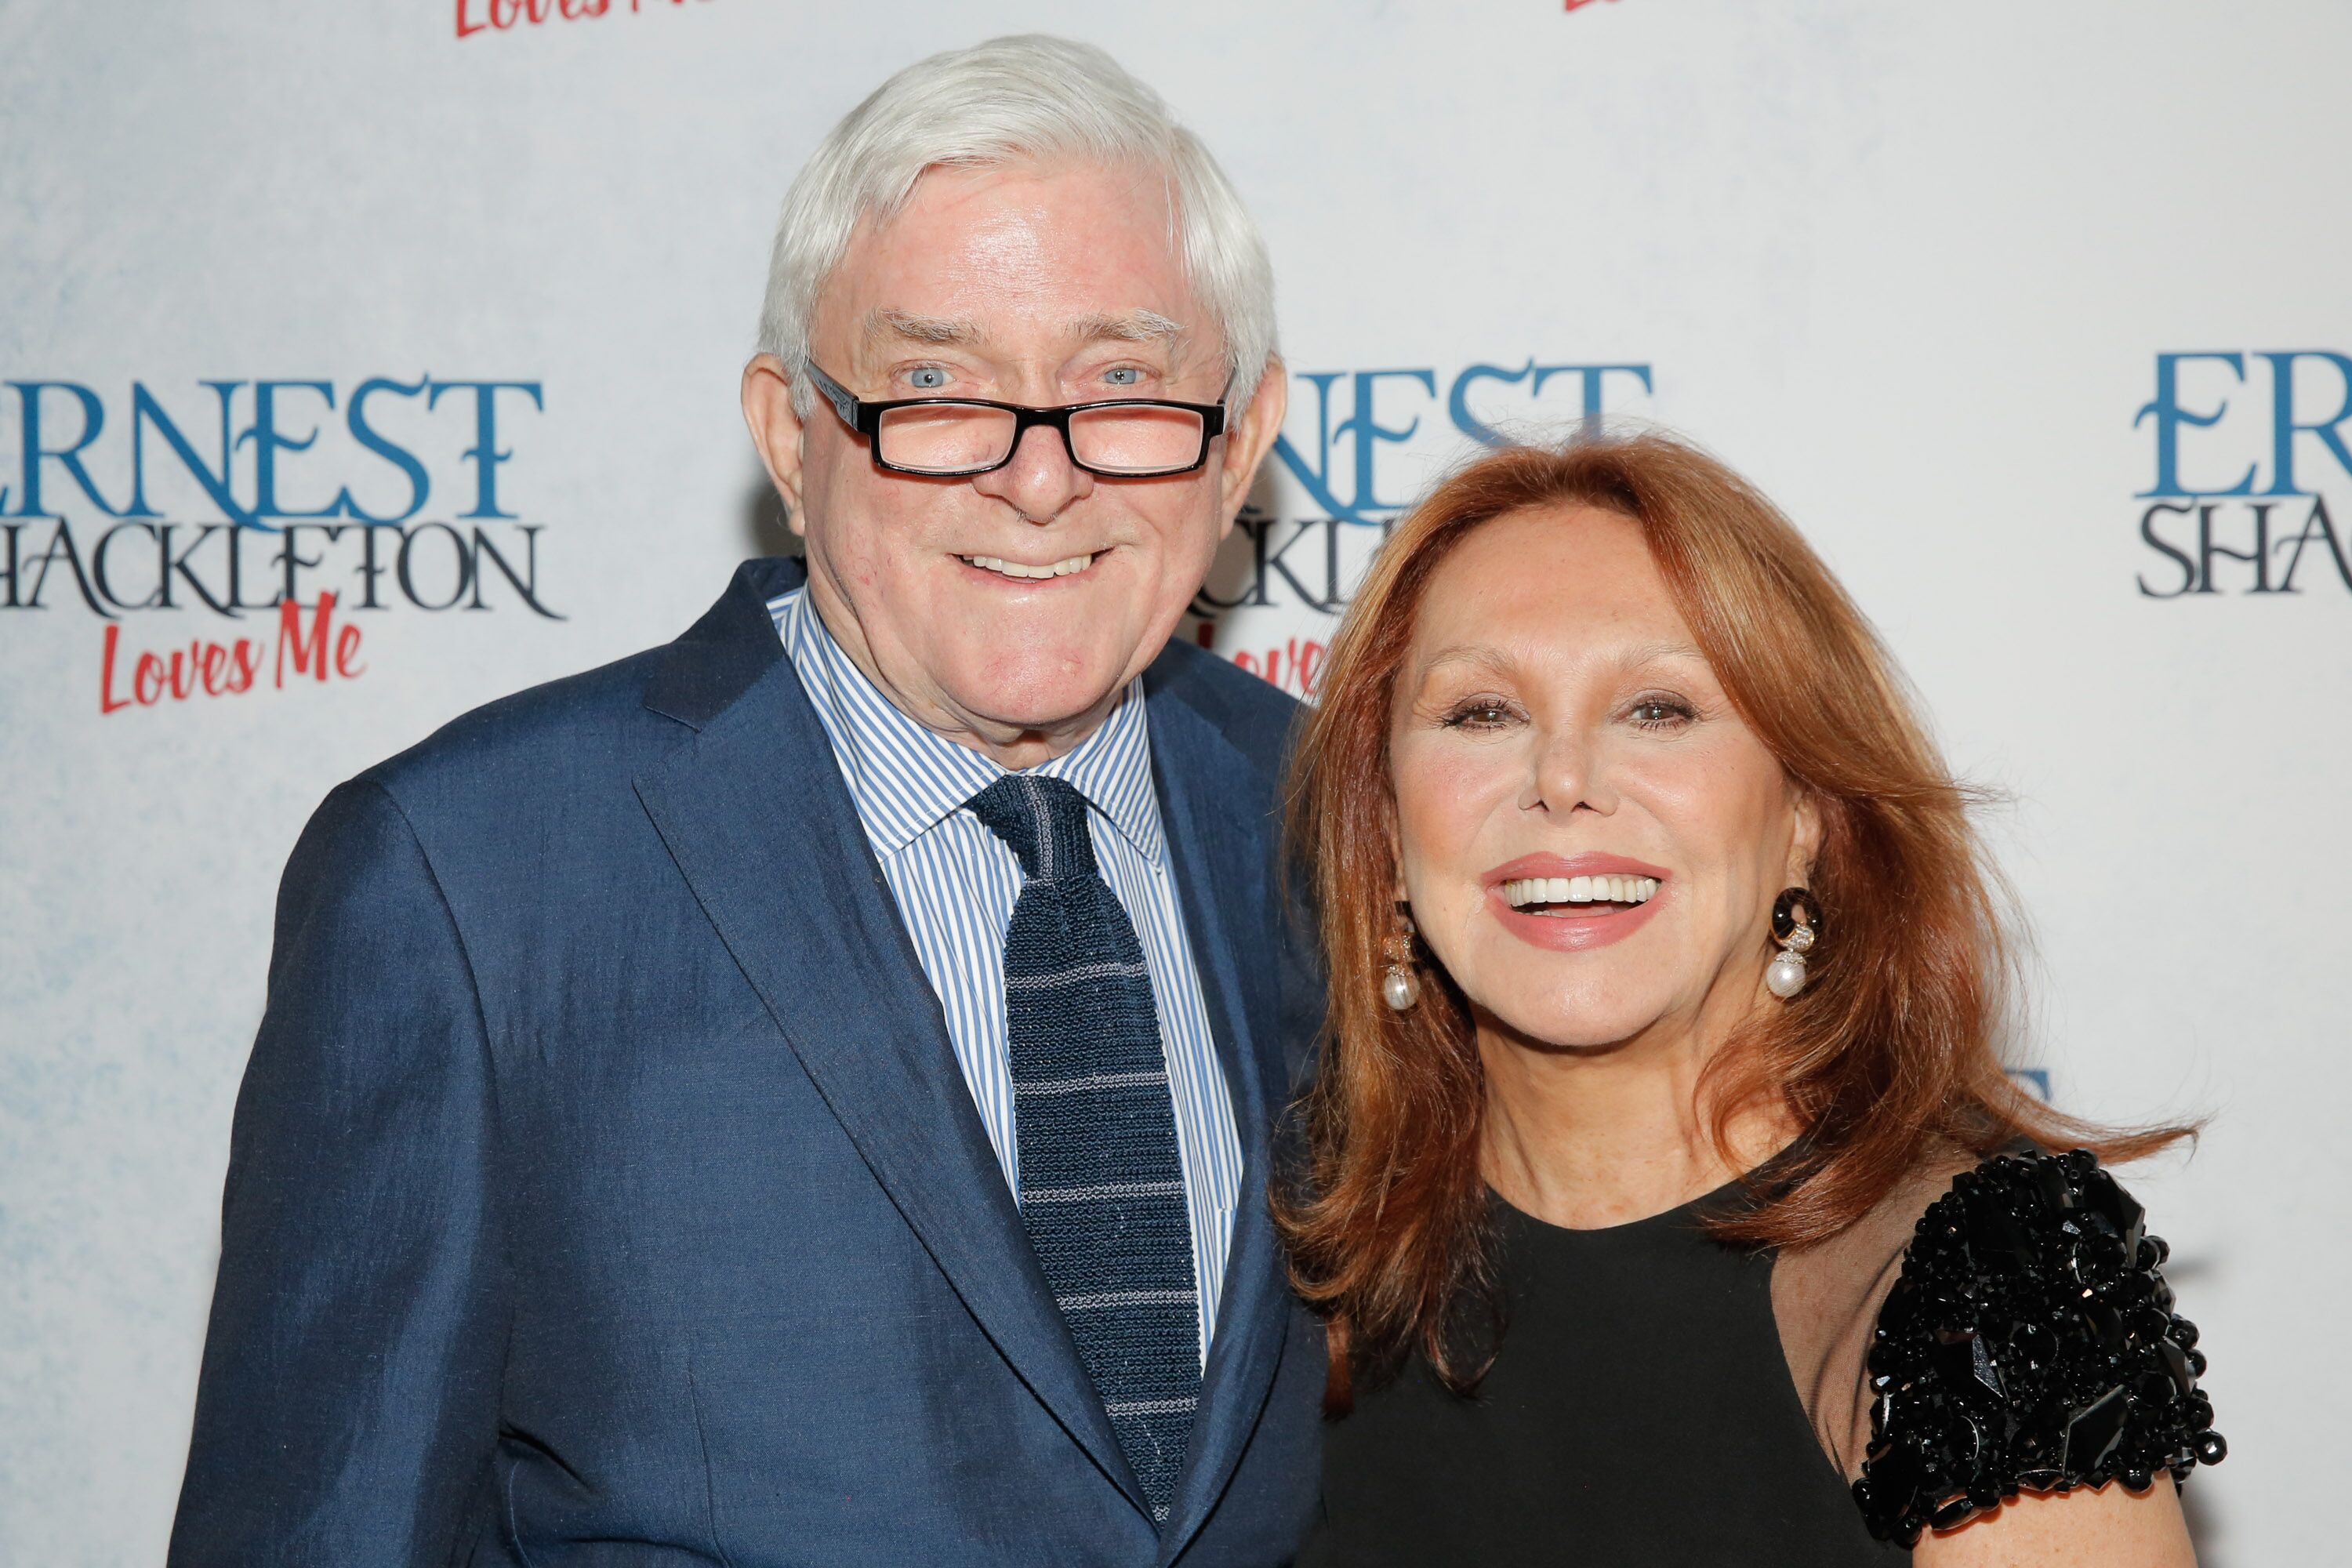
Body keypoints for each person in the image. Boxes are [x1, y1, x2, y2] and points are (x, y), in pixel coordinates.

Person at [169, 36, 1328, 1566]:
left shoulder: (1341, 817)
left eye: (1123, 387)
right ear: (791, 435)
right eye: (935, 390)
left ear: (1240, 437)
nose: (1039, 480)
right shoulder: (469, 878)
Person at [1275, 433, 2224, 1566]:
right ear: (1382, 832)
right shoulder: (1300, 1237)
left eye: (1660, 709)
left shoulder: (1976, 1285)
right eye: (1481, 712)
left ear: (1806, 819)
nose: (1562, 779)